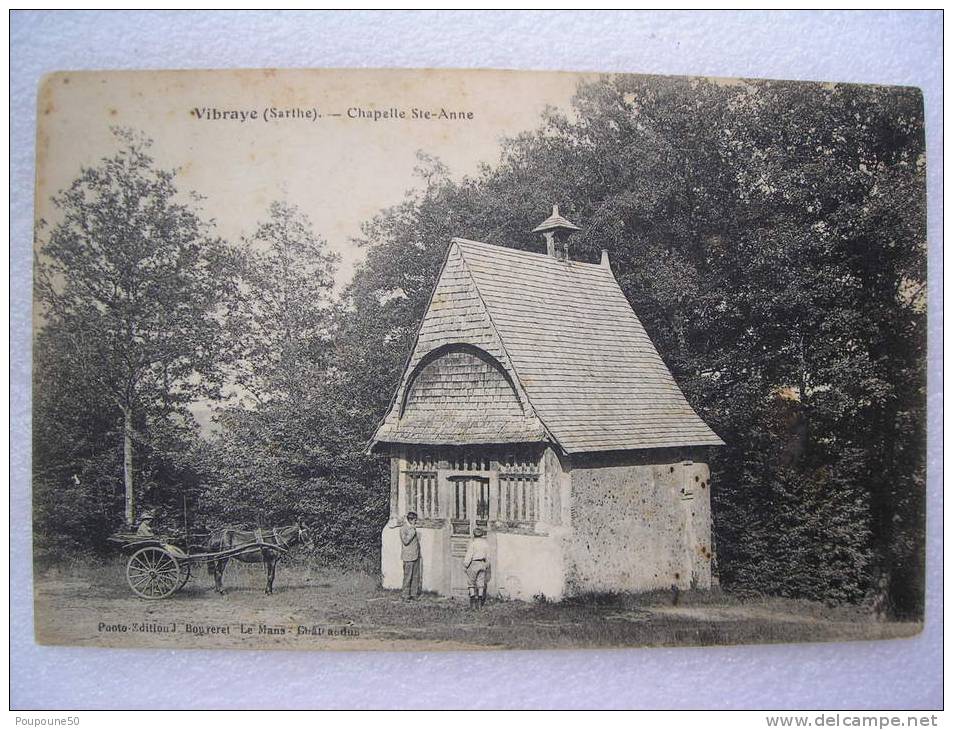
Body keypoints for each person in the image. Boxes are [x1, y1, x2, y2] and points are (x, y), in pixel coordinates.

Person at [463, 527, 490, 608]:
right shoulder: (486, 544)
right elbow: (488, 556)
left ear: (474, 535)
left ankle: (472, 602)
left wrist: (465, 565)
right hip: (482, 563)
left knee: (471, 583)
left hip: (474, 563)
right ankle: (480, 603)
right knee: (480, 583)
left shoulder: (473, 544)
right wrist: (486, 565)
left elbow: (469, 556)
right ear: (482, 535)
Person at [399, 511, 421, 600]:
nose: (416, 522)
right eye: (415, 520)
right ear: (411, 520)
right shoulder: (403, 529)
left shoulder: (413, 528)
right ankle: (405, 595)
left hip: (415, 555)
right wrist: (412, 530)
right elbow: (406, 541)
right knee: (408, 576)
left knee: (415, 576)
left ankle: (413, 594)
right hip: (408, 557)